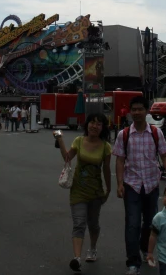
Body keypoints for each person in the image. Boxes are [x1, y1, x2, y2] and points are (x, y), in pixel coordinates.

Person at [113, 96, 166, 275]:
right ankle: (133, 263)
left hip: (152, 184)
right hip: (132, 185)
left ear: (146, 111)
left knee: (150, 222)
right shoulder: (123, 134)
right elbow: (120, 161)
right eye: (134, 109)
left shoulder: (156, 133)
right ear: (130, 112)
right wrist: (119, 184)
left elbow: (164, 155)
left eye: (140, 109)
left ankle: (145, 248)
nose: (137, 112)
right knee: (132, 224)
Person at [56, 112, 113, 272]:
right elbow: (68, 158)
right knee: (79, 223)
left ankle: (92, 248)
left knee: (93, 224)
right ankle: (77, 258)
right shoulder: (79, 141)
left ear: (103, 128)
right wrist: (60, 139)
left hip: (96, 191)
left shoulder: (106, 146)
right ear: (87, 125)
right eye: (92, 123)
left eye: (99, 124)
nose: (94, 126)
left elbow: (107, 170)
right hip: (78, 190)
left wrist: (108, 190)